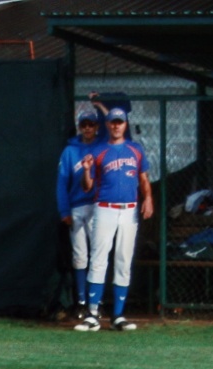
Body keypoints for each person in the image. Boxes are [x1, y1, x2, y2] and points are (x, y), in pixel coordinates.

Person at [75, 107, 152, 334]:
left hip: (129, 210)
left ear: (125, 124)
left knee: (123, 260)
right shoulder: (99, 150)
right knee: (98, 259)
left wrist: (148, 198)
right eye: (113, 122)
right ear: (107, 125)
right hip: (104, 208)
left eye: (120, 121)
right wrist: (86, 171)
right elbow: (87, 187)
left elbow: (144, 179)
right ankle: (92, 315)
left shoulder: (135, 149)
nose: (116, 125)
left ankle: (118, 315)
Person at [55, 107, 101, 319]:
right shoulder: (70, 151)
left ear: (97, 127)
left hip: (98, 206)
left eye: (91, 124)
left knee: (98, 255)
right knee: (79, 256)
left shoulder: (102, 147)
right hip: (76, 206)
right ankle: (81, 302)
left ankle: (96, 302)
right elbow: (62, 182)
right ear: (79, 127)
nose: (88, 128)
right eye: (84, 125)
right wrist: (64, 210)